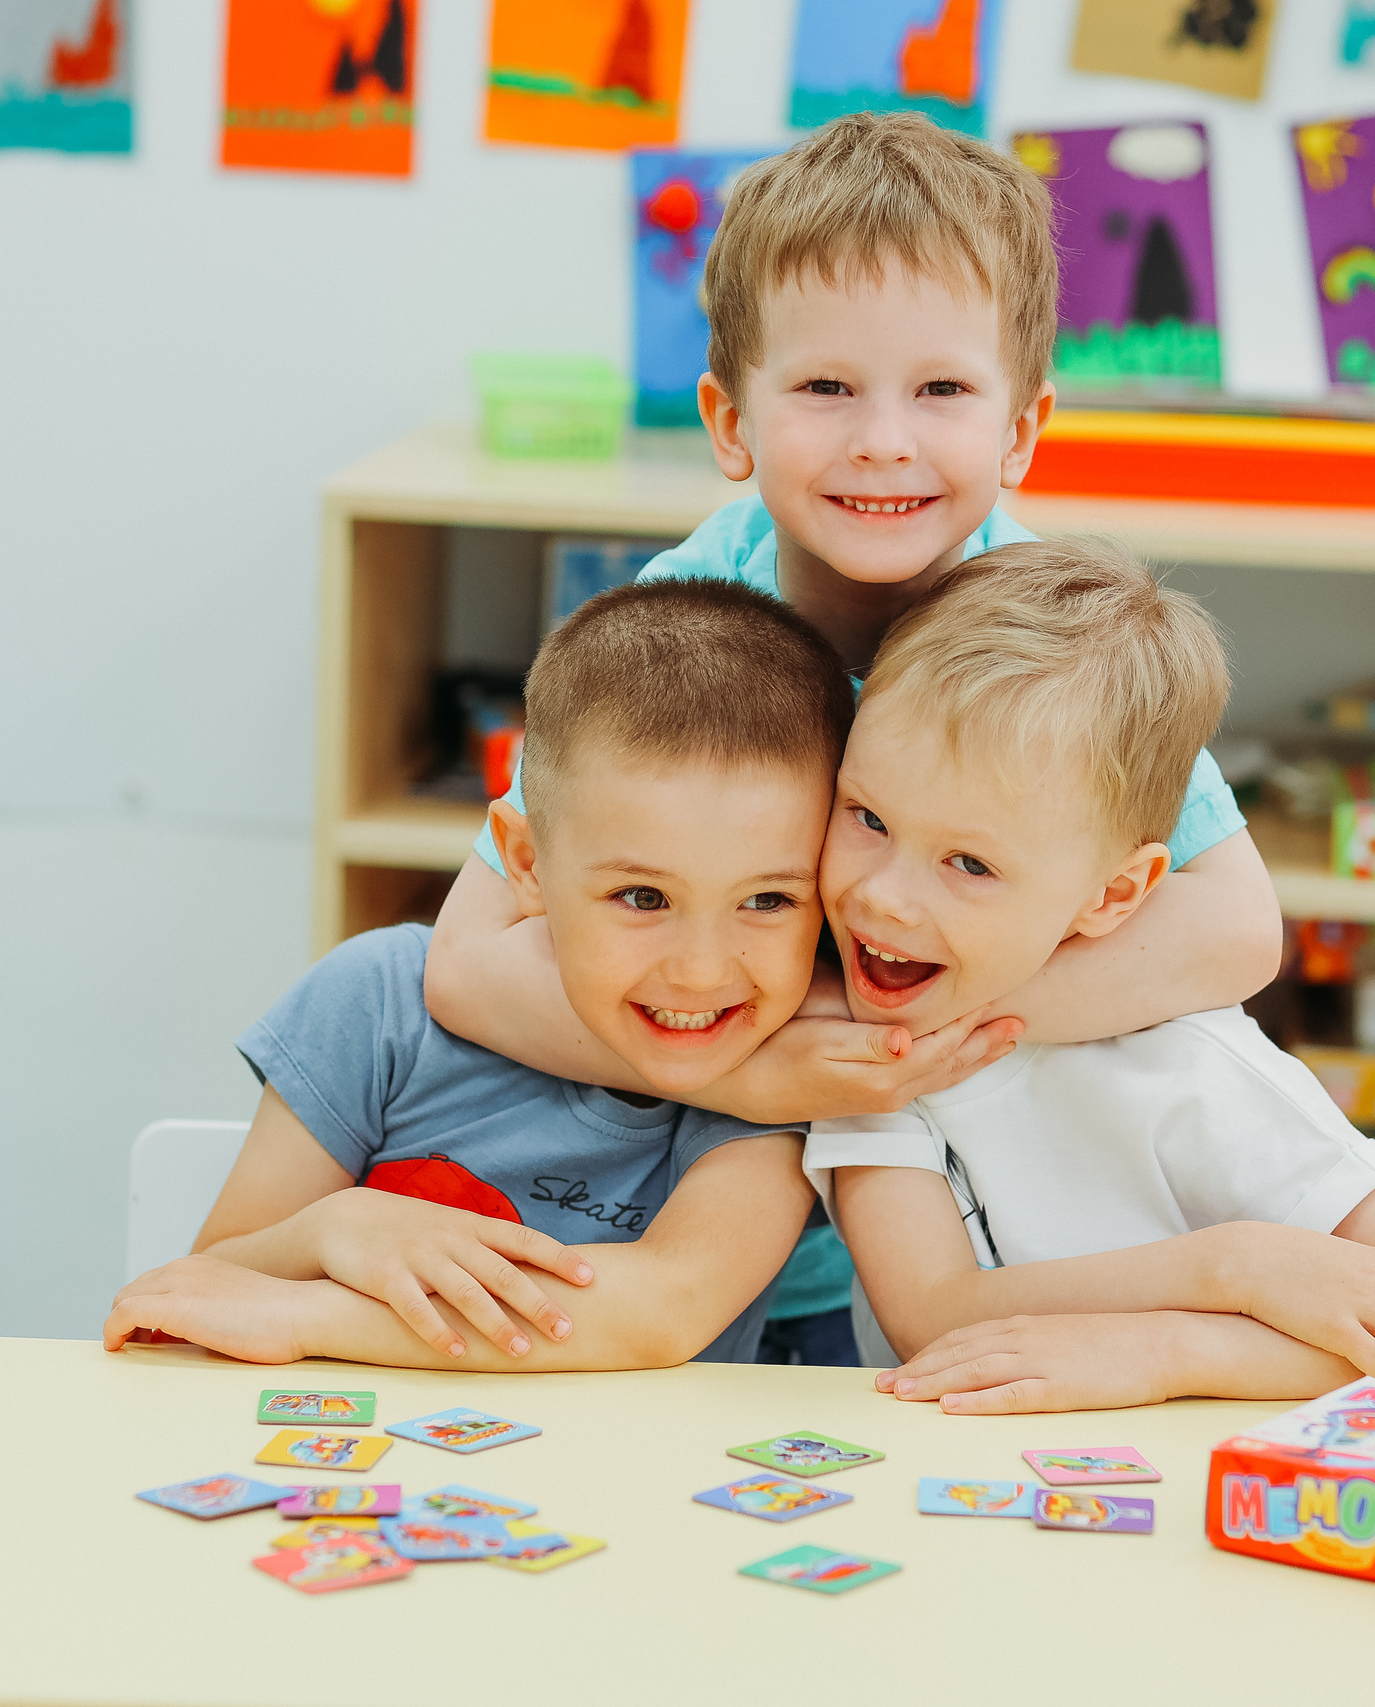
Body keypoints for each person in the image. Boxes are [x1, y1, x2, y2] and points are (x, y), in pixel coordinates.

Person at [422, 110, 1288, 1354]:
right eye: (826, 388)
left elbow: (1233, 925)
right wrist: (760, 1070)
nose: (884, 438)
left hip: (973, 1242)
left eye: (941, 390)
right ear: (731, 421)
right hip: (654, 1221)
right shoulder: (666, 628)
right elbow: (465, 961)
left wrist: (905, 1039)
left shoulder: (1057, 643)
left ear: (1022, 427)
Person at [804, 539, 1375, 1413]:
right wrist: (1229, 1270)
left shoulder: (1190, 1063)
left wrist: (1175, 1349)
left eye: (969, 863)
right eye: (867, 816)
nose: (883, 898)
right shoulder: (870, 1053)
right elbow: (932, 1314)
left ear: (1113, 894)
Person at [101, 578, 850, 1368]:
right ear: (525, 861)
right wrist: (332, 1229)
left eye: (767, 899)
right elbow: (195, 1290)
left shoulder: (787, 1072)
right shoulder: (378, 1001)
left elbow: (663, 1308)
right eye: (642, 896)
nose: (701, 972)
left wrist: (307, 1315)